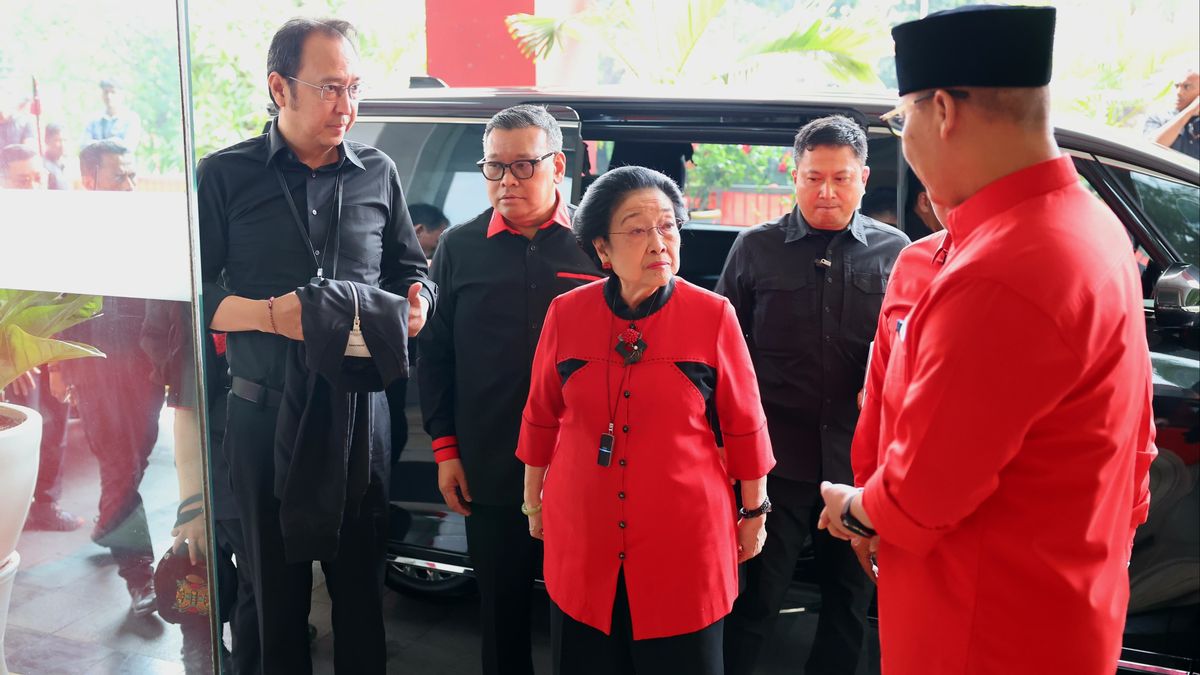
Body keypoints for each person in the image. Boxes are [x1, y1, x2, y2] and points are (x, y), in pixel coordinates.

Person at [817, 6, 1157, 674]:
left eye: (902, 117)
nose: (905, 137)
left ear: (941, 109)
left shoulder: (1002, 269)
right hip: (1052, 604)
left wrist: (854, 509)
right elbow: (1137, 444)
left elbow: (919, 499)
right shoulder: (1088, 224)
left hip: (984, 628)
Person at [197, 18, 433, 674]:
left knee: (362, 592)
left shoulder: (376, 172)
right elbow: (197, 297)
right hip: (262, 411)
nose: (347, 106)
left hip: (358, 415)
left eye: (354, 87)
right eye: (331, 87)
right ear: (280, 87)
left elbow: (409, 271)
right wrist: (277, 316)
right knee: (272, 595)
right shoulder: (223, 176)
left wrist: (418, 303)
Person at [516, 165, 775, 674]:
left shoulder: (713, 314)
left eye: (669, 226)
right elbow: (541, 414)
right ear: (602, 251)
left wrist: (755, 512)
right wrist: (532, 501)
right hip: (583, 537)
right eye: (638, 228)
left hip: (685, 544)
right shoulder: (567, 314)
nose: (659, 242)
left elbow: (746, 424)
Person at [718, 115, 908, 675]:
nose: (827, 192)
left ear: (864, 179)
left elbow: (912, 352)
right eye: (813, 177)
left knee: (851, 603)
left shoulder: (897, 252)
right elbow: (724, 353)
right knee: (755, 600)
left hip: (861, 463)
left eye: (841, 179)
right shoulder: (756, 248)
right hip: (775, 463)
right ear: (793, 176)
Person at [418, 104, 602, 675]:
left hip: (582, 463)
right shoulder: (460, 247)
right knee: (499, 608)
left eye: (524, 165)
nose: (507, 181)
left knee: (582, 612)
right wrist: (445, 448)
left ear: (558, 165)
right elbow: (437, 356)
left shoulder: (594, 247)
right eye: (494, 168)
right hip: (491, 460)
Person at [67, 139, 164, 617]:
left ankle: (109, 520)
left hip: (143, 369)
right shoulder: (69, 233)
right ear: (90, 181)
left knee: (137, 456)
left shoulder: (145, 229)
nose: (128, 185)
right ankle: (139, 576)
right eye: (117, 177)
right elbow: (58, 305)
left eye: (131, 175)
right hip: (95, 368)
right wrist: (60, 369)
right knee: (121, 465)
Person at [0, 144, 84, 533]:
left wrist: (61, 360)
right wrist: (8, 358)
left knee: (56, 428)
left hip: (52, 347)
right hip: (15, 360)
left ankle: (46, 506)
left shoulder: (55, 222)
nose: (34, 186)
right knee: (26, 437)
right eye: (22, 180)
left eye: (39, 178)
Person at [1144, 65, 1199, 159]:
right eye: (1177, 86)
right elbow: (1151, 148)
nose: (1179, 92)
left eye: (1187, 87)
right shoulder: (1158, 118)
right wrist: (1190, 110)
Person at [82, 79, 142, 151]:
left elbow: (129, 146)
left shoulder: (131, 118)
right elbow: (84, 144)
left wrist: (99, 145)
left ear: (122, 95)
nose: (109, 96)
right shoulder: (93, 120)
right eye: (106, 92)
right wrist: (110, 144)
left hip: (121, 161)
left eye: (113, 92)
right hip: (97, 161)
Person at [43, 123, 70, 190]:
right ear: (47, 141)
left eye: (65, 140)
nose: (62, 145)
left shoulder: (69, 164)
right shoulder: (42, 167)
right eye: (58, 140)